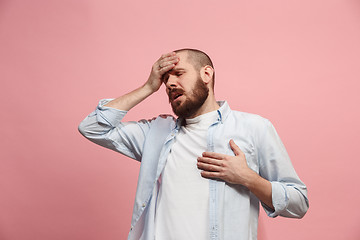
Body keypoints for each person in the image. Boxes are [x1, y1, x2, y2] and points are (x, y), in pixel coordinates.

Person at [78, 49, 309, 240]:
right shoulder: (155, 133)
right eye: (165, 79)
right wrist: (148, 87)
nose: (169, 84)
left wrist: (248, 178)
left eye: (178, 73)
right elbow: (93, 127)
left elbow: (298, 202)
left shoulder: (254, 128)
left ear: (206, 74)